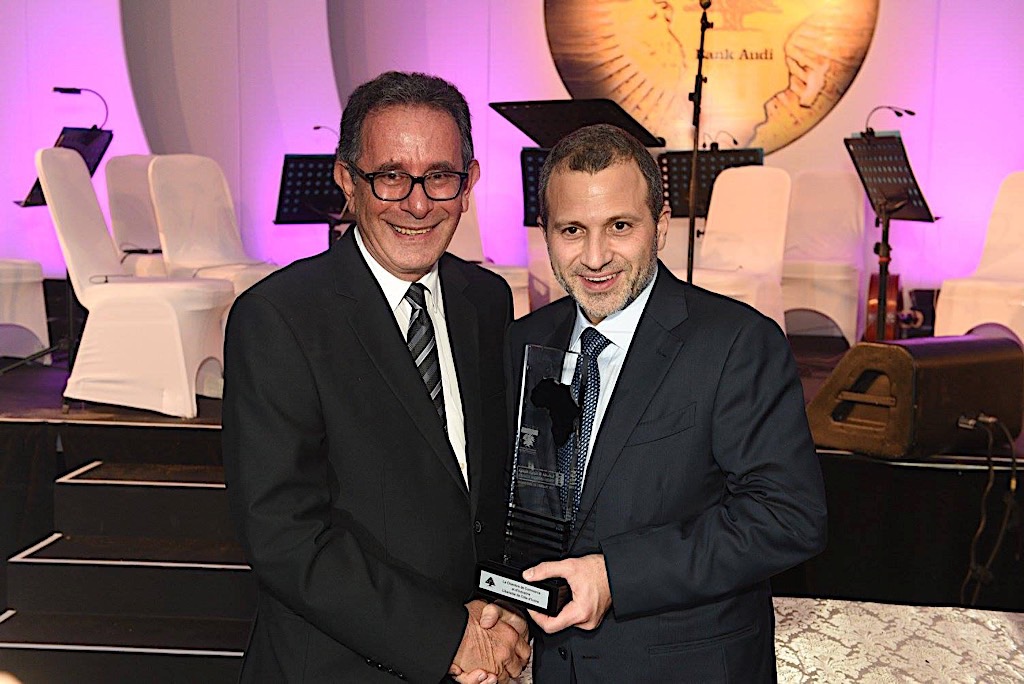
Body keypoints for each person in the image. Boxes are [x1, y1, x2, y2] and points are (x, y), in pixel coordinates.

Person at [223, 71, 529, 683]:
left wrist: (504, 610)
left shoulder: (486, 299)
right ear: (346, 180)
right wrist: (446, 640)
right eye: (391, 176)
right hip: (337, 666)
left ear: (469, 182)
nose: (417, 204)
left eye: (440, 177)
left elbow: (488, 491)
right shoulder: (278, 317)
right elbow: (284, 535)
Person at [507, 123, 827, 682]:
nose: (595, 257)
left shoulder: (737, 343)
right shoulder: (524, 341)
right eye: (572, 230)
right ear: (546, 233)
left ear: (661, 226)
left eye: (620, 226)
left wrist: (616, 576)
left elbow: (787, 516)